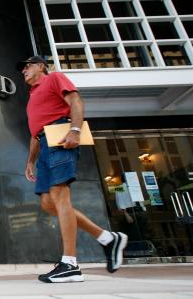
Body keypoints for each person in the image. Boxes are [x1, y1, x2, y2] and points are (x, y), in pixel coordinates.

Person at [16, 56, 128, 283]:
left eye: (27, 66)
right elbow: (35, 134)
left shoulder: (55, 78)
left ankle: (70, 264)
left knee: (59, 196)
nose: (24, 71)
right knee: (48, 203)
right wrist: (30, 161)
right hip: (44, 143)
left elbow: (75, 101)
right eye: (23, 68)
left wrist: (75, 129)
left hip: (61, 137)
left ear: (41, 66)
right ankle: (107, 238)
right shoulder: (32, 96)